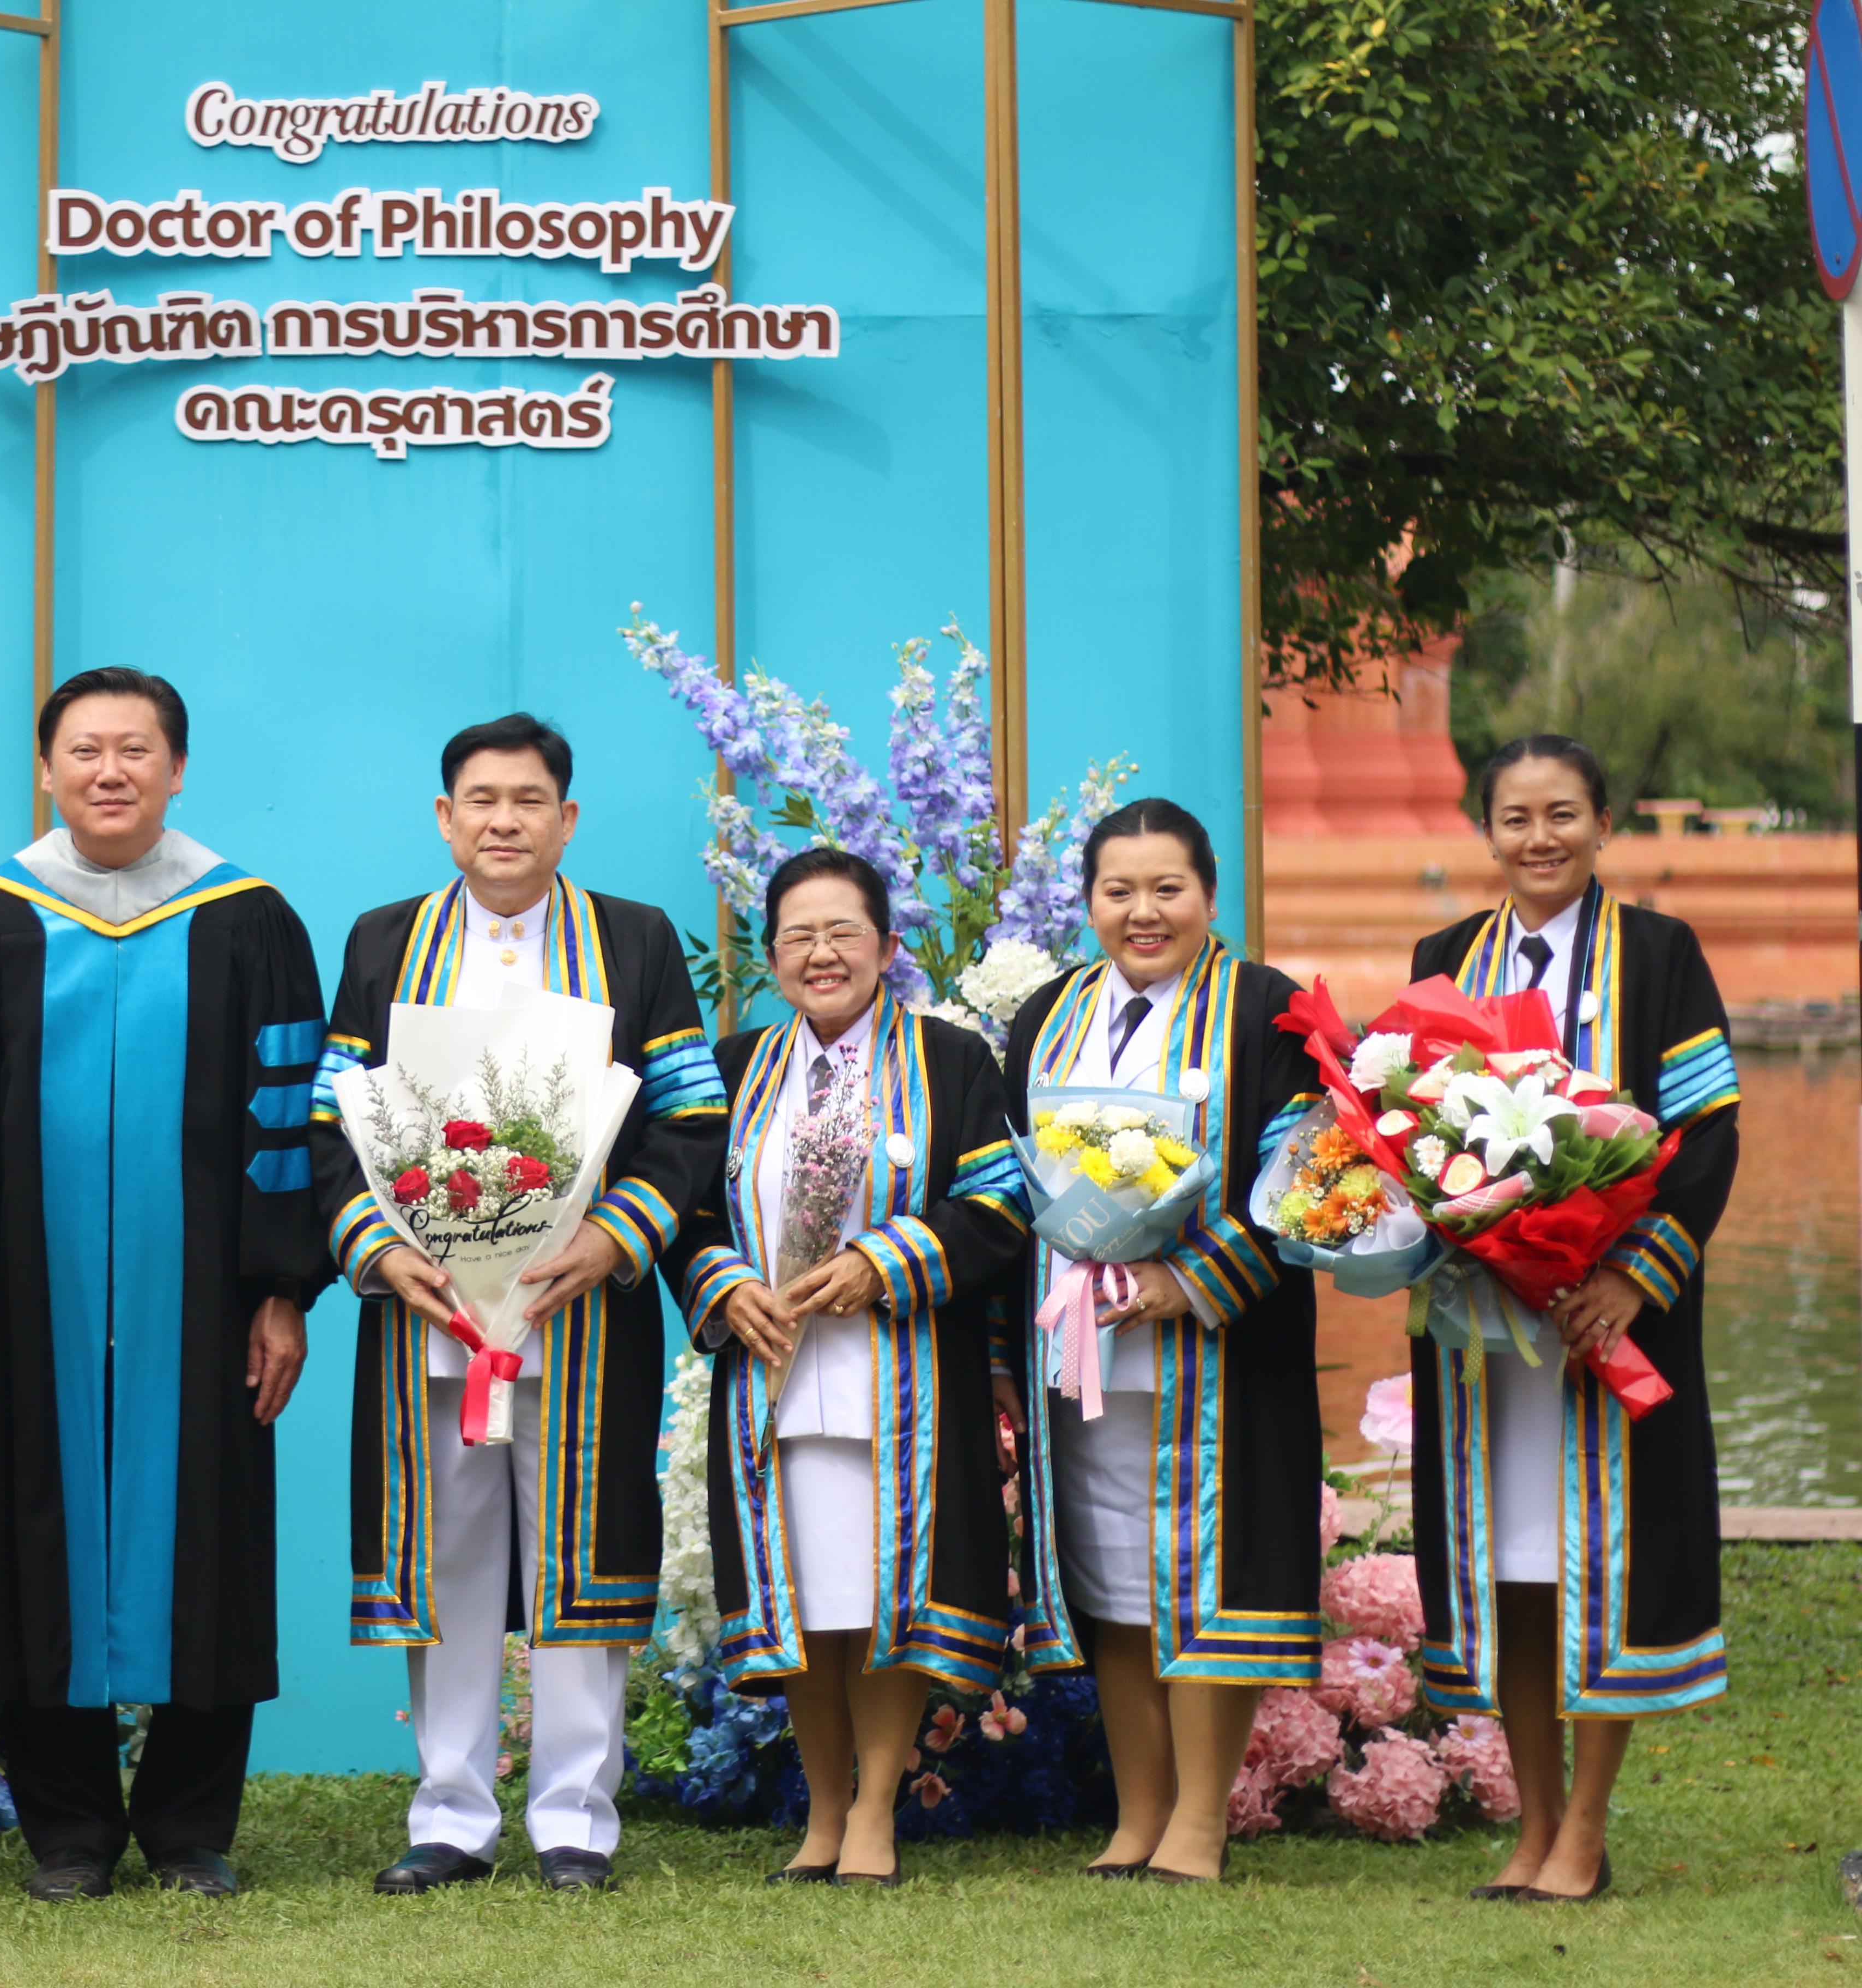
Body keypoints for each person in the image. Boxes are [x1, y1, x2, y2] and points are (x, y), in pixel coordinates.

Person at [0, 667, 327, 1901]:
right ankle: (71, 1830)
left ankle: (192, 1825)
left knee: (215, 1531)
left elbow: (291, 1123)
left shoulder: (248, 917)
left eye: (134, 750)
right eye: (84, 749)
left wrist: (284, 1289)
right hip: (29, 1299)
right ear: (47, 768)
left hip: (204, 1305)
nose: (109, 770)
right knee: (37, 1530)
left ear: (176, 767)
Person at [314, 714, 726, 1894]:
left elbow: (689, 1119)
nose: (504, 820)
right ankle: (449, 1815)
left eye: (529, 800)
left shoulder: (635, 942)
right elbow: (331, 1123)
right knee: (445, 1558)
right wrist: (382, 1258)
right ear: (445, 817)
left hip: (580, 1312)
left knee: (579, 1560)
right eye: (481, 800)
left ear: (567, 818)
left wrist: (613, 1236)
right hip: (429, 1312)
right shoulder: (385, 942)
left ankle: (573, 1823)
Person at [1406, 734, 1739, 1905]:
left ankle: (1586, 1830)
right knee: (1516, 1569)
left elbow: (1704, 1135)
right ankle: (1530, 1819)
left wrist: (1631, 1279)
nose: (1538, 838)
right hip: (1487, 1333)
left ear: (1604, 824)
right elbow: (1407, 1137)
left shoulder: (1658, 955)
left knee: (1607, 1566)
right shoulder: (1444, 959)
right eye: (1514, 817)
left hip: (1609, 1327)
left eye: (1562, 814)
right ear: (1485, 830)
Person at [659, 847, 1029, 1886]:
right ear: (771, 956)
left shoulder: (951, 1063)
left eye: (843, 933)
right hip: (773, 1382)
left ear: (888, 947)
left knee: (882, 1598)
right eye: (797, 937)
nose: (821, 954)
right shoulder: (733, 1072)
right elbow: (678, 1213)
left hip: (903, 1376)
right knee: (808, 1602)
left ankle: (876, 1811)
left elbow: (1000, 1209)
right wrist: (724, 1283)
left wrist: (884, 1261)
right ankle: (822, 1811)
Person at [1000, 798, 1320, 1884]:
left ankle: (1200, 1823)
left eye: (1166, 889)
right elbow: (1012, 1187)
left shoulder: (1263, 1011)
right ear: (1087, 902)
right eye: (1118, 891)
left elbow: (1309, 1181)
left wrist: (1191, 1280)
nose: (1143, 913)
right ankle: (1139, 1813)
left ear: (1210, 895)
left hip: (1215, 1357)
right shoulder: (1047, 1017)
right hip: (1079, 1353)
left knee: (1206, 1578)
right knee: (1111, 1579)